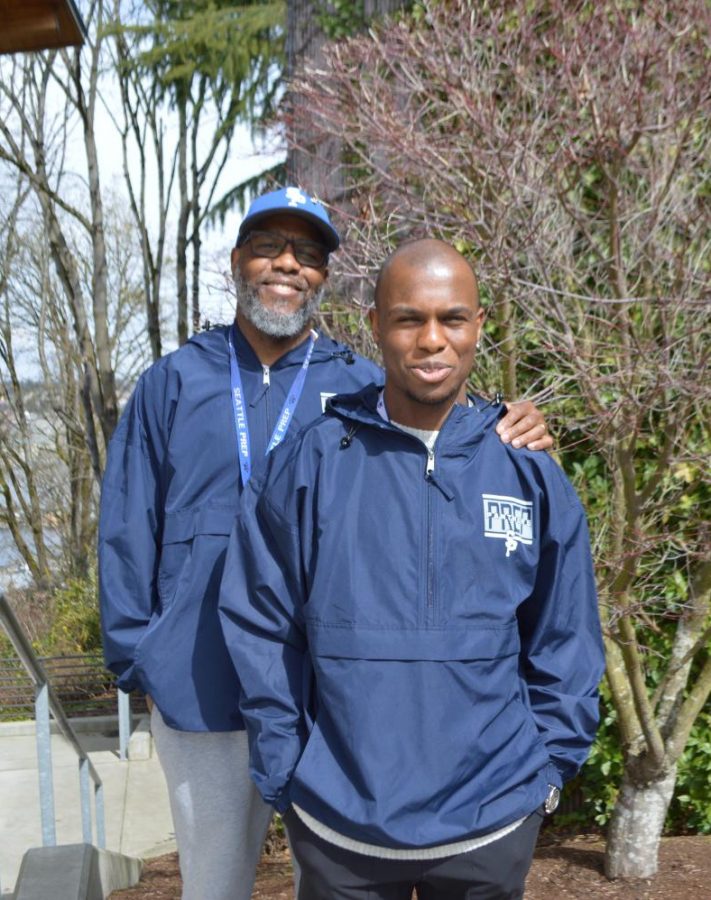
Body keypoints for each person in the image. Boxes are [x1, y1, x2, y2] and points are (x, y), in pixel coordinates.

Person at [98, 189, 552, 900]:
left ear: (325, 279)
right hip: (199, 678)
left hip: (326, 700)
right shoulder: (173, 382)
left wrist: (514, 421)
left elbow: (440, 415)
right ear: (236, 262)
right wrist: (137, 661)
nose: (286, 265)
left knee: (332, 866)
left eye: (307, 255)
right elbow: (127, 525)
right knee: (214, 885)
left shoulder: (358, 381)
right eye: (268, 248)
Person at [219, 238, 605, 900]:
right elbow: (260, 624)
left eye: (451, 318)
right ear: (374, 325)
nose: (432, 340)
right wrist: (286, 768)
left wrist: (544, 773)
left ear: (479, 325)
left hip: (491, 820)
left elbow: (564, 639)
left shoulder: (527, 473)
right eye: (408, 319)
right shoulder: (310, 465)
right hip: (339, 825)